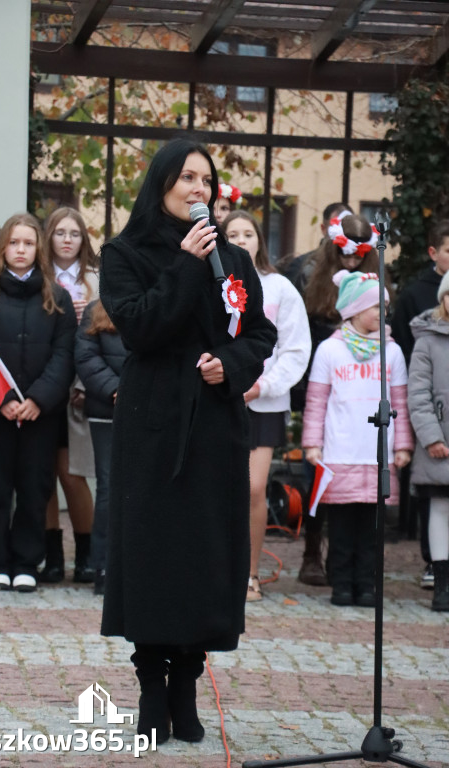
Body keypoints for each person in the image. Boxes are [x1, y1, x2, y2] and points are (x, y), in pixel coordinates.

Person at [99, 138, 276, 744]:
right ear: (162, 184)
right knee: (153, 556)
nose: (199, 190)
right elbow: (142, 326)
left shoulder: (236, 259)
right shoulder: (123, 253)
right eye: (187, 178)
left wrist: (232, 365)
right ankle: (152, 683)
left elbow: (259, 334)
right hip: (152, 425)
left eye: (207, 180)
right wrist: (184, 263)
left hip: (213, 428)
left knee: (204, 559)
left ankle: (187, 682)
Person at [0, 213, 76, 592]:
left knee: (34, 488)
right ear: (3, 249)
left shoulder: (55, 297)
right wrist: (4, 399)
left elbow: (64, 355)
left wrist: (38, 398)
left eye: (28, 243)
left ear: (38, 248)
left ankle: (26, 561)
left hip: (39, 415)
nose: (21, 250)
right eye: (14, 243)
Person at [302, 270, 413, 606]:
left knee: (371, 528)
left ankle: (367, 585)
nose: (381, 314)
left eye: (384, 307)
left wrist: (403, 444)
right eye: (374, 307)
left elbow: (400, 403)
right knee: (341, 526)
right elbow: (316, 401)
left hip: (376, 454)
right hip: (340, 451)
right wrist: (312, 443)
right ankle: (342, 585)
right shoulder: (329, 351)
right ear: (353, 309)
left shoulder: (391, 353)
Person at [297, 210, 391, 587]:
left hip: (364, 385)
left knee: (360, 486)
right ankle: (312, 552)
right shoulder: (312, 280)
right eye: (344, 256)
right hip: (324, 380)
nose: (351, 261)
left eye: (358, 256)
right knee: (317, 478)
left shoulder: (375, 283)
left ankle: (350, 561)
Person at [221, 210, 311, 601]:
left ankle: (250, 574)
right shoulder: (213, 282)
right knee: (217, 487)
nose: (241, 240)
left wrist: (263, 386)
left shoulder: (280, 289)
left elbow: (295, 349)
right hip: (218, 399)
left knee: (253, 488)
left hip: (263, 402)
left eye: (248, 233)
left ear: (260, 240)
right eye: (233, 234)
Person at [40, 207, 100, 584]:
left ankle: (87, 556)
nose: (66, 239)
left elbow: (107, 335)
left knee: (72, 473)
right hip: (45, 385)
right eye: (59, 232)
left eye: (74, 233)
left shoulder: (97, 280)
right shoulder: (40, 277)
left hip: (82, 387)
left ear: (83, 239)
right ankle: (52, 558)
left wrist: (85, 385)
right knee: (42, 475)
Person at [391, 219, 449, 590]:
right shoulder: (416, 296)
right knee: (437, 502)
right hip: (434, 422)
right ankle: (436, 565)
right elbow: (415, 377)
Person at [74, 299, 127, 595]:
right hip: (108, 410)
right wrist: (117, 389)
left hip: (150, 411)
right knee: (108, 487)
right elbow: (86, 357)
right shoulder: (97, 310)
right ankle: (103, 566)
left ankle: (137, 566)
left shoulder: (159, 304)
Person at [408, 271, 449, 611]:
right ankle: (441, 580)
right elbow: (418, 394)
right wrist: (432, 436)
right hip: (439, 442)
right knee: (439, 508)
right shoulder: (427, 341)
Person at [284, 202, 353, 296]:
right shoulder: (301, 265)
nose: (342, 233)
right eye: (336, 227)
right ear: (323, 229)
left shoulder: (361, 264)